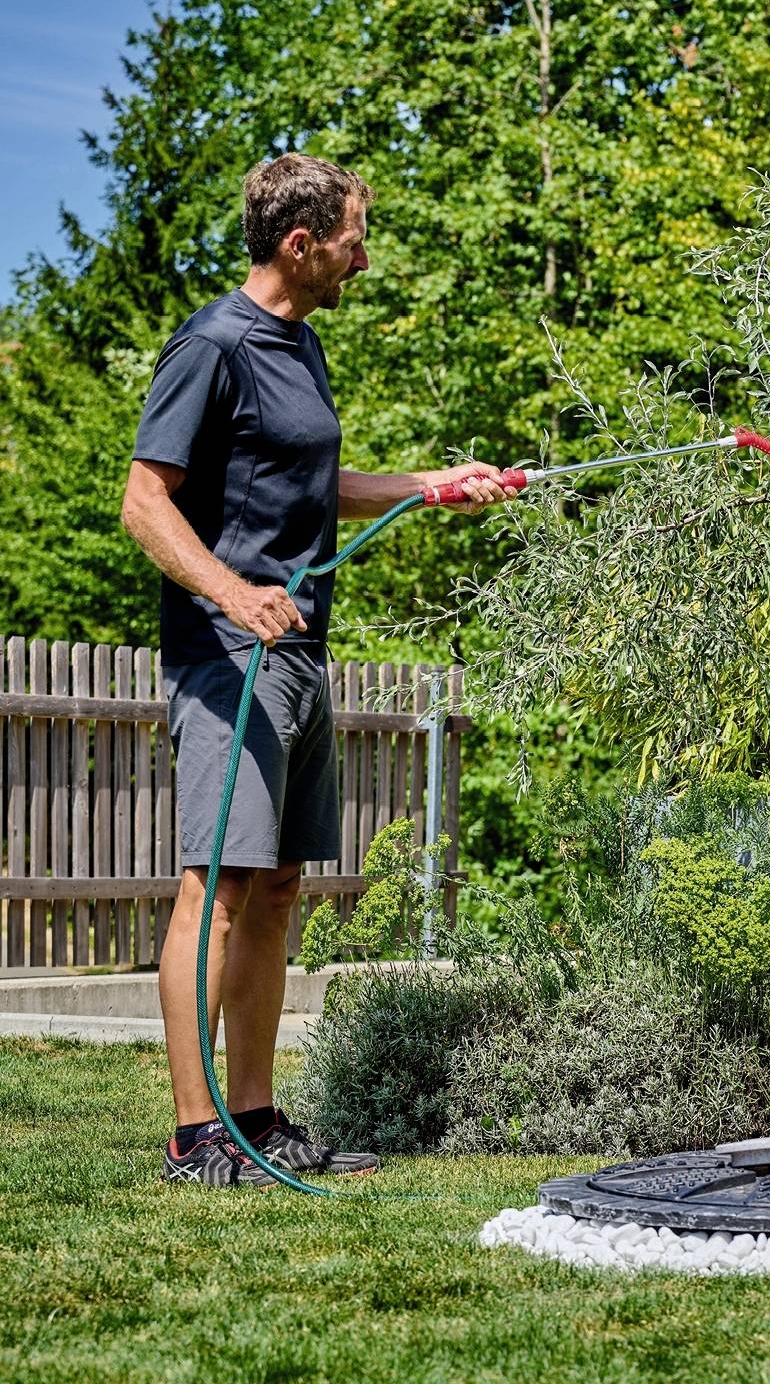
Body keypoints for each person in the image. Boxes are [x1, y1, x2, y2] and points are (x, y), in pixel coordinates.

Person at [120, 153, 518, 1186]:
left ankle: (253, 1114)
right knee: (215, 887)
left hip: (299, 653)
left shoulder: (301, 346)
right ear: (300, 245)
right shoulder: (211, 345)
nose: (363, 252)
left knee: (279, 882)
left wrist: (427, 486)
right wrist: (230, 593)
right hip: (229, 659)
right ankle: (194, 1132)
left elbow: (312, 478)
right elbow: (145, 502)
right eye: (354, 234)